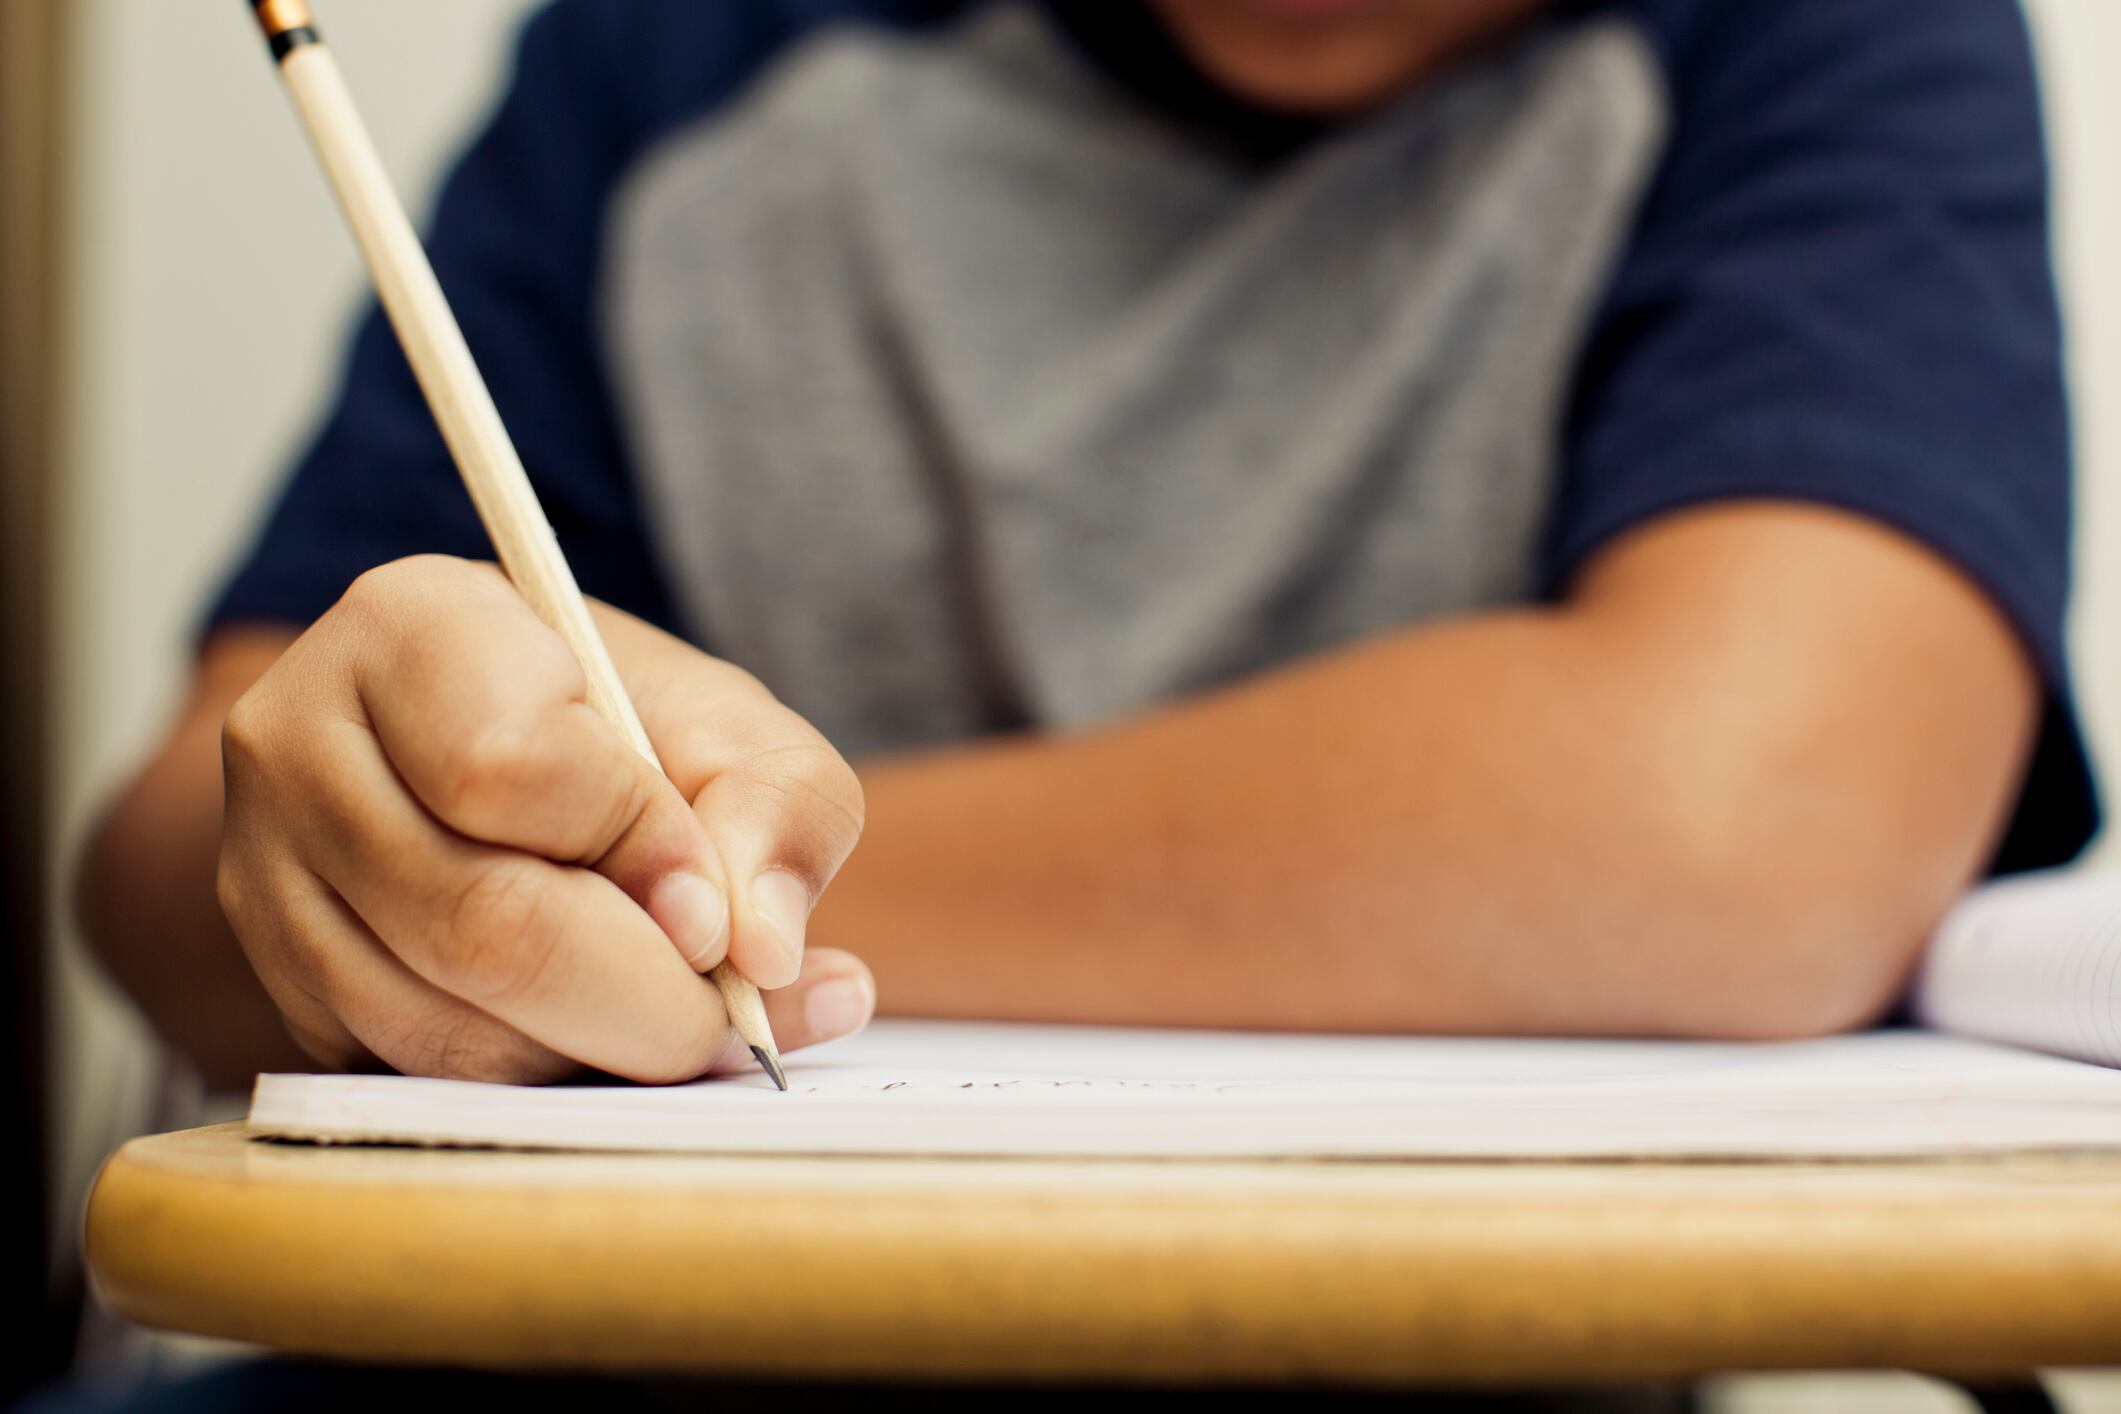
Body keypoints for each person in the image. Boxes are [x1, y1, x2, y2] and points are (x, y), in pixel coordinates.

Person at [79, 0, 2097, 1091]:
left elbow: (1745, 823)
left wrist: (685, 885)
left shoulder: (1821, 44)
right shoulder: (675, 63)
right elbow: (169, 857)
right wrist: (360, 852)